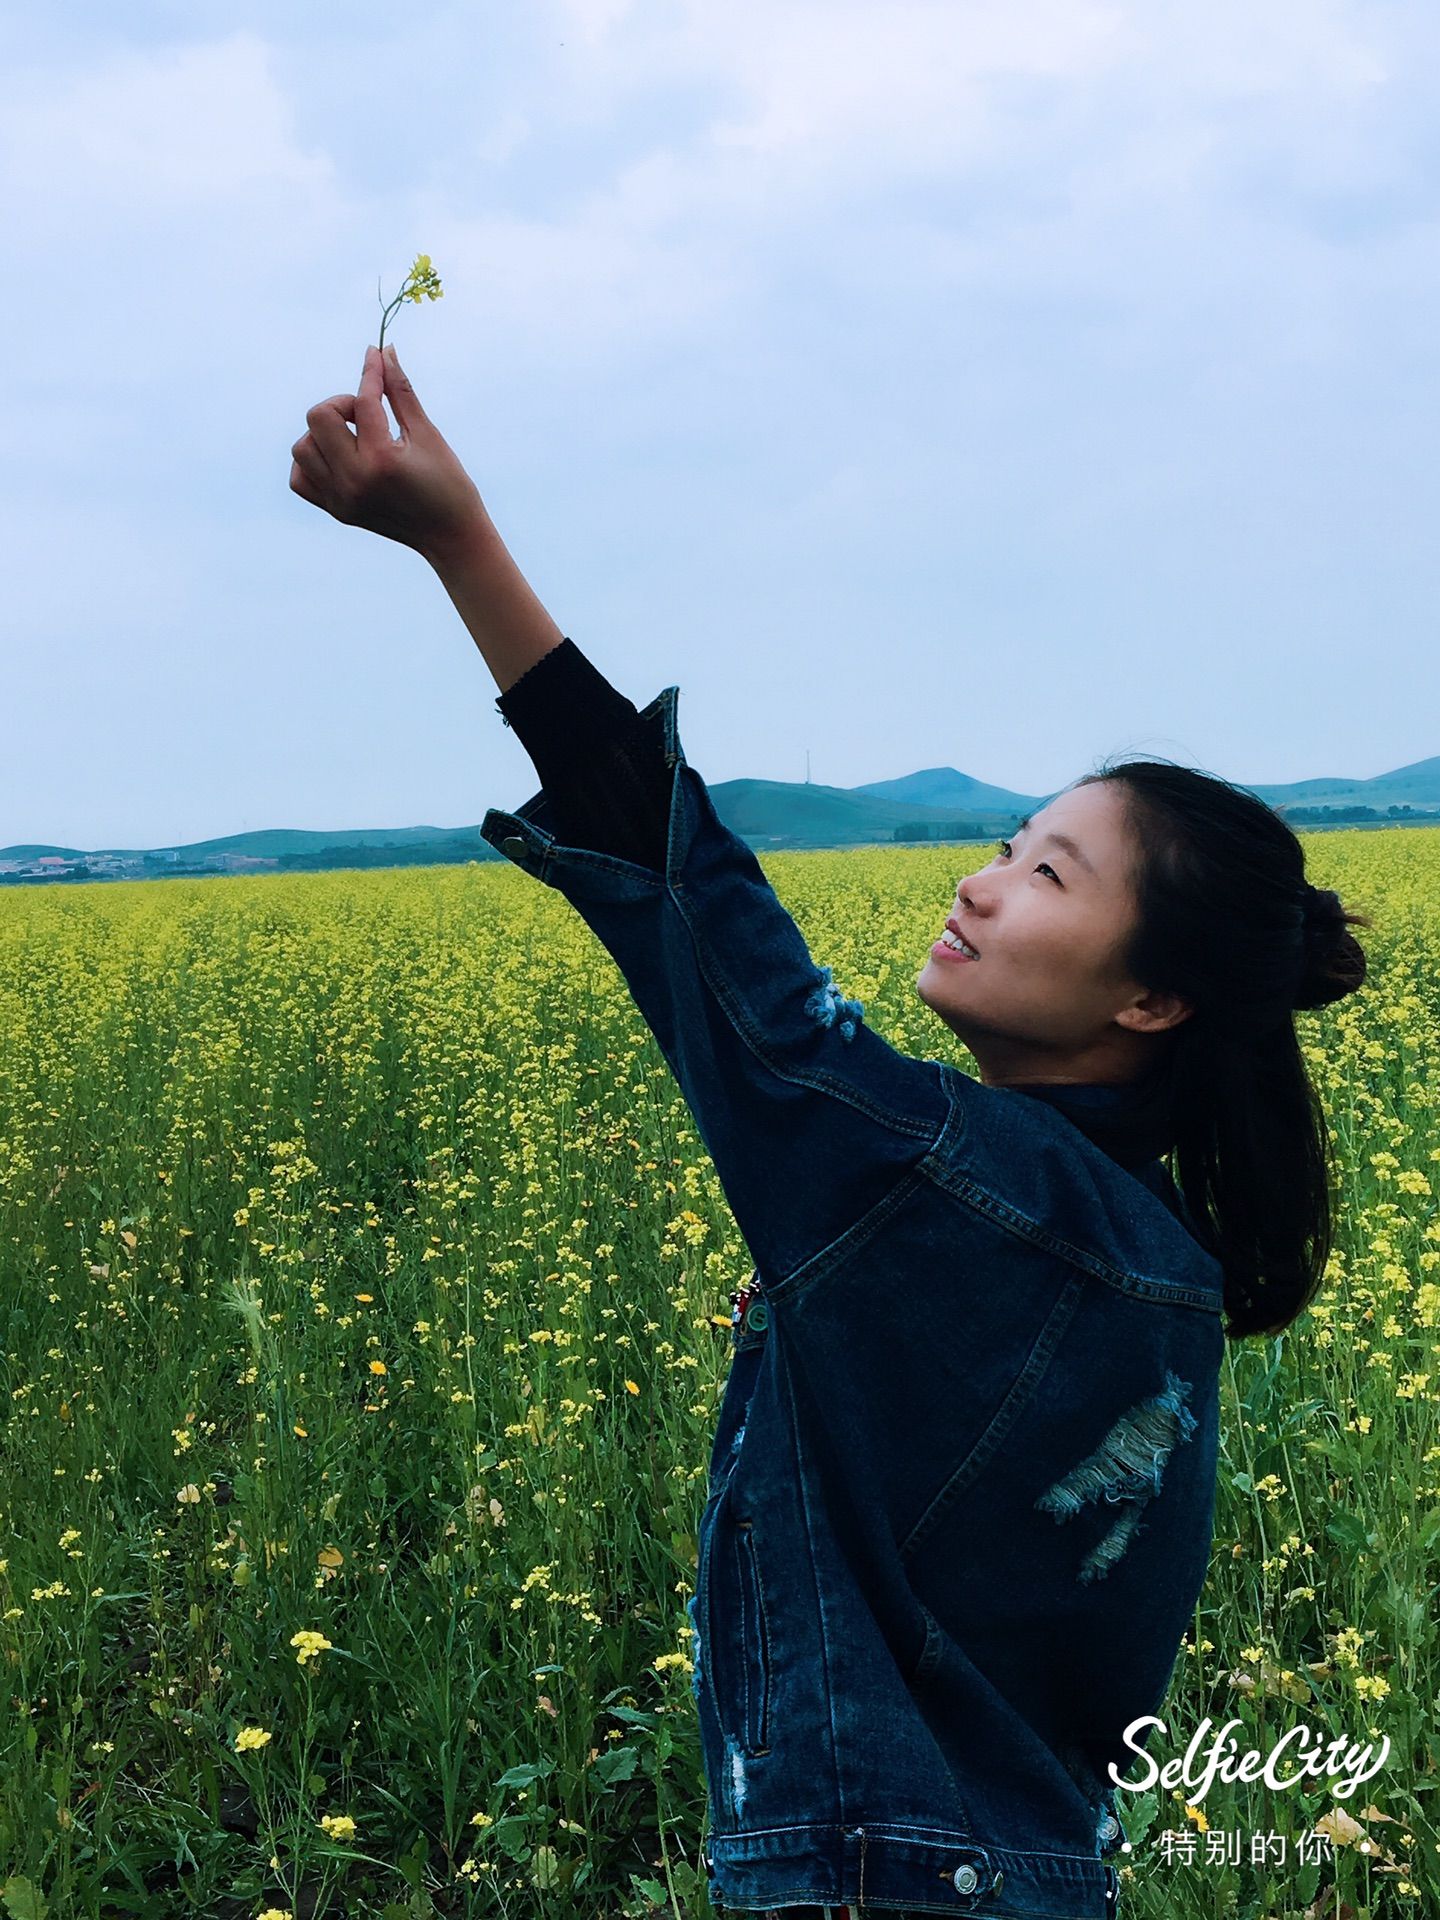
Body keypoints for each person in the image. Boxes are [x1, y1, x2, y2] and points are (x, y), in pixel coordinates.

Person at [290, 346, 1371, 1920]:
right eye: (1008, 844)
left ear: (1152, 1000)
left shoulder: (942, 1185)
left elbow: (710, 932)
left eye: (1051, 875)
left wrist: (462, 542)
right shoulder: (1162, 1271)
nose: (982, 881)